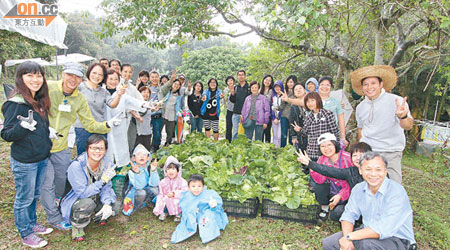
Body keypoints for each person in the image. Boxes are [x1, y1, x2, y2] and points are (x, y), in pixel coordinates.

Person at [41, 62, 119, 231]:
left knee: (61, 179)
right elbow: (28, 100)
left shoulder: (79, 98)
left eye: (77, 76)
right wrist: (42, 126)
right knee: (46, 182)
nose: (73, 79)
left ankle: (61, 200)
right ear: (63, 74)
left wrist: (107, 124)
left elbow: (89, 123)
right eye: (70, 75)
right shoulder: (48, 87)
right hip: (40, 144)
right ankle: (54, 217)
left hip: (60, 146)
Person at [1, 61, 53, 248]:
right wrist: (22, 127)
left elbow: (40, 126)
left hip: (40, 157)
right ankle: (25, 233)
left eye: (38, 75)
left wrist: (48, 132)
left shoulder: (38, 99)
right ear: (20, 78)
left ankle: (32, 223)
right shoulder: (15, 103)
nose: (35, 79)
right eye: (30, 75)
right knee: (24, 198)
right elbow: (6, 134)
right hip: (25, 161)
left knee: (34, 194)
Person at [322, 152, 416, 250]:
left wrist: (350, 237)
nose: (373, 174)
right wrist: (346, 238)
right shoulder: (358, 189)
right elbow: (349, 215)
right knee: (329, 243)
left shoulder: (396, 191)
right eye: (368, 169)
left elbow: (384, 229)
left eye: (378, 169)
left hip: (397, 239)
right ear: (360, 170)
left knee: (365, 245)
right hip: (368, 231)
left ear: (385, 171)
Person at [351, 65, 413, 184]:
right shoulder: (360, 107)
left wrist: (403, 116)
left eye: (373, 83)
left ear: (381, 84)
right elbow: (361, 130)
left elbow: (408, 126)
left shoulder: (396, 101)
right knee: (369, 187)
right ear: (362, 88)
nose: (369, 87)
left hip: (391, 152)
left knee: (393, 187)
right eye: (366, 84)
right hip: (369, 153)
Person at [60, 135, 119, 242]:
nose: (97, 151)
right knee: (87, 203)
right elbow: (82, 193)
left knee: (114, 206)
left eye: (101, 148)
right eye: (93, 148)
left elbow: (107, 188)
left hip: (94, 196)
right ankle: (77, 225)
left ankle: (99, 214)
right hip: (76, 200)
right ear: (87, 149)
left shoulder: (106, 164)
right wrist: (102, 180)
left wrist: (106, 204)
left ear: (105, 150)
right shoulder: (77, 166)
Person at [74, 63, 123, 155]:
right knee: (83, 155)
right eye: (94, 73)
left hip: (100, 128)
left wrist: (119, 94)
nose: (96, 76)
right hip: (82, 128)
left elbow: (113, 104)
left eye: (100, 74)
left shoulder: (103, 92)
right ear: (89, 72)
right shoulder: (79, 88)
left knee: (99, 155)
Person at [104, 70, 151, 167]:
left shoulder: (122, 94)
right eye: (110, 79)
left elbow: (134, 102)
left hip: (119, 127)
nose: (113, 81)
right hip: (103, 127)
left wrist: (146, 104)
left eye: (116, 79)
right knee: (105, 153)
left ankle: (120, 172)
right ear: (105, 80)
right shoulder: (101, 92)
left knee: (120, 152)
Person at [171, 174, 229, 244]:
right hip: (195, 215)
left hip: (206, 213)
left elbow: (218, 207)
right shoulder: (186, 197)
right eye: (193, 186)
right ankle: (198, 227)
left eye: (199, 186)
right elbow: (184, 208)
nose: (196, 188)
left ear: (203, 187)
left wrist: (214, 205)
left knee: (208, 214)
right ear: (188, 188)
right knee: (192, 216)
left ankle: (209, 233)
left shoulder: (209, 194)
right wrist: (192, 210)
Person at [310, 133, 352, 221]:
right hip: (334, 190)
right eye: (323, 146)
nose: (326, 149)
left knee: (337, 213)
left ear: (335, 144)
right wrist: (313, 169)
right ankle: (324, 208)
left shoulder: (347, 158)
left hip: (349, 192)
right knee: (317, 186)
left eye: (329, 145)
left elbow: (352, 182)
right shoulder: (322, 159)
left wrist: (341, 195)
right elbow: (320, 181)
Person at [298, 142, 373, 190]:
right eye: (355, 155)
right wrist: (310, 164)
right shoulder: (350, 171)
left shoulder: (376, 172)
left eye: (361, 155)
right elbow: (328, 171)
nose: (358, 158)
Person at [122, 144, 160, 216]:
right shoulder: (132, 171)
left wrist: (153, 171)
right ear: (134, 158)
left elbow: (154, 184)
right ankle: (136, 207)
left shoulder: (149, 168)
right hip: (134, 192)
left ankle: (148, 202)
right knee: (141, 193)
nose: (142, 156)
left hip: (145, 188)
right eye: (138, 154)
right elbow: (139, 186)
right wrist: (138, 173)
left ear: (148, 158)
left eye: (144, 154)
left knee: (155, 190)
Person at [301, 92, 340, 161]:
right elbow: (305, 133)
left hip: (326, 152)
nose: (310, 103)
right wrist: (299, 130)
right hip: (312, 152)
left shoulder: (327, 114)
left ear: (318, 100)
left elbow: (335, 132)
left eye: (312, 100)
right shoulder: (308, 117)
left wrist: (337, 149)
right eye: (307, 101)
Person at [153, 156, 188, 221]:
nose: (170, 171)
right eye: (168, 169)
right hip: (167, 200)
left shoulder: (182, 181)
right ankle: (165, 212)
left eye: (173, 169)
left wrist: (174, 194)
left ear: (178, 171)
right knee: (159, 199)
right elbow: (161, 194)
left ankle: (178, 213)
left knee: (182, 201)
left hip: (177, 200)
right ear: (165, 171)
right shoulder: (163, 182)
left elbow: (184, 192)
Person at [120, 64, 145, 155]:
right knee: (121, 141)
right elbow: (125, 103)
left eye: (130, 72)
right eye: (125, 71)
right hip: (120, 118)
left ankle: (129, 158)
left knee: (130, 139)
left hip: (130, 119)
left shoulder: (131, 86)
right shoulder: (118, 84)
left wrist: (150, 105)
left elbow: (139, 99)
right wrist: (136, 114)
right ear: (120, 72)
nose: (128, 74)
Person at [318, 76, 348, 147]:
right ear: (318, 86)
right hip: (316, 136)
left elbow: (341, 120)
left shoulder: (336, 102)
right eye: (322, 84)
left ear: (331, 87)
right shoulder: (312, 101)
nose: (324, 87)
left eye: (327, 85)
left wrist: (343, 137)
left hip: (332, 135)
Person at [159, 73, 184, 146]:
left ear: (179, 87)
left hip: (172, 116)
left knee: (169, 132)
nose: (176, 85)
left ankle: (168, 144)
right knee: (158, 130)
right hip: (163, 114)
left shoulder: (179, 96)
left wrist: (180, 113)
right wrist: (171, 80)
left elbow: (178, 106)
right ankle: (156, 144)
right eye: (175, 83)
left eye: (178, 85)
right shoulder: (167, 92)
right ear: (172, 84)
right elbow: (162, 89)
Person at [134, 86, 156, 152]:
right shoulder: (138, 104)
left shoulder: (148, 104)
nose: (146, 94)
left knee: (146, 152)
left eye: (148, 92)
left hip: (147, 132)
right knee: (138, 152)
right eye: (144, 92)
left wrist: (152, 110)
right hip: (139, 133)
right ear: (139, 93)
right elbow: (140, 113)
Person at [230, 70, 250, 140]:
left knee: (246, 132)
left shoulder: (249, 87)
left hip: (246, 114)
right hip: (236, 113)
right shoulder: (235, 87)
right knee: (235, 132)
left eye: (242, 75)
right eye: (239, 75)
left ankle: (245, 148)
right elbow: (232, 100)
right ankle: (234, 148)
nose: (241, 76)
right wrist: (232, 93)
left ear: (245, 76)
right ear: (237, 76)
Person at [289, 83, 308, 151]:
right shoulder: (293, 106)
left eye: (300, 88)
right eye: (296, 89)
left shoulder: (311, 102)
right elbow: (292, 122)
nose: (298, 90)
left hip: (312, 134)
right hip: (300, 135)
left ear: (305, 90)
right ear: (294, 93)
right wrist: (294, 137)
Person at [280, 75, 296, 147]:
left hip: (293, 117)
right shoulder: (285, 92)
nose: (290, 84)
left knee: (291, 135)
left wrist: (288, 99)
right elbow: (281, 107)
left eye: (291, 82)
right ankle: (282, 150)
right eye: (288, 82)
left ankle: (290, 151)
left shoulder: (297, 93)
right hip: (284, 116)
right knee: (283, 135)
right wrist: (282, 100)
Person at [149, 71, 163, 152]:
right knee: (147, 133)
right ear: (150, 78)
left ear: (159, 78)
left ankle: (156, 148)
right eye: (152, 77)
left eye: (156, 77)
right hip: (148, 115)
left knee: (157, 133)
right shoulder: (147, 88)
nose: (154, 79)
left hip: (157, 115)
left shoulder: (161, 89)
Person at [271, 80, 285, 147]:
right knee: (275, 135)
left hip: (281, 118)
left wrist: (278, 118)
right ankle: (275, 149)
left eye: (279, 87)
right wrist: (273, 118)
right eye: (276, 87)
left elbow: (283, 107)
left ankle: (279, 148)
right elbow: (271, 107)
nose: (277, 88)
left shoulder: (284, 96)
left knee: (279, 135)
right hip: (274, 119)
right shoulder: (273, 96)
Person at [260, 75, 274, 143]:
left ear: (271, 82)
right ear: (263, 80)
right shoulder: (260, 90)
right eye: (266, 79)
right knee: (260, 132)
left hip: (268, 114)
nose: (267, 81)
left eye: (269, 80)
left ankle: (268, 148)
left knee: (267, 132)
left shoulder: (272, 91)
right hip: (260, 115)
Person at [223, 76, 236, 142]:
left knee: (236, 128)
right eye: (228, 81)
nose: (230, 82)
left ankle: (235, 141)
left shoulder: (237, 88)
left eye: (231, 80)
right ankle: (228, 142)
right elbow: (224, 100)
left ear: (233, 81)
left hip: (237, 110)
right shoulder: (225, 90)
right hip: (229, 110)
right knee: (228, 127)